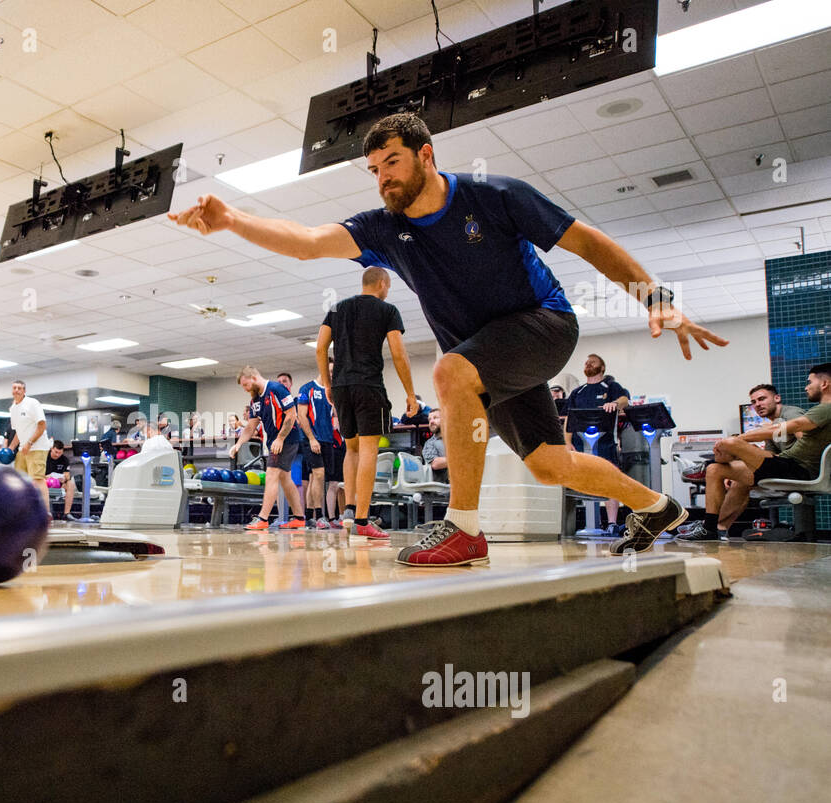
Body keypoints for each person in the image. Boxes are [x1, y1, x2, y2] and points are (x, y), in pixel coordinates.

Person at [171, 110, 726, 565]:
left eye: (392, 161)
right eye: (374, 169)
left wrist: (657, 300)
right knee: (550, 463)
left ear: (426, 155)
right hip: (490, 356)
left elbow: (586, 242)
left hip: (544, 326)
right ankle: (658, 506)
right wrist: (233, 220)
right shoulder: (383, 229)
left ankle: (465, 530)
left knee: (450, 371)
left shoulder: (496, 197)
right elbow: (308, 242)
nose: (383, 176)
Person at [314, 267, 414, 539]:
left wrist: (327, 384)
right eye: (388, 287)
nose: (387, 291)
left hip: (342, 387)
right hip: (369, 385)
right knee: (369, 449)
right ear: (382, 284)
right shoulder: (387, 310)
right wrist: (410, 393)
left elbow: (321, 347)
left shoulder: (337, 308)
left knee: (352, 448)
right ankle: (362, 519)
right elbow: (399, 354)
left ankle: (349, 509)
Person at [678, 365, 831, 541]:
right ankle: (711, 528)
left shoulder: (820, 409)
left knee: (730, 442)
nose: (806, 387)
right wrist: (739, 465)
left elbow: (797, 430)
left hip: (798, 469)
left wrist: (739, 441)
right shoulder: (811, 412)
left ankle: (703, 467)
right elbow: (772, 454)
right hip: (785, 464)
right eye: (754, 402)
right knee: (717, 470)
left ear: (825, 383)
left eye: (809, 382)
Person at [228, 365, 306, 531]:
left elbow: (291, 415)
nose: (245, 389)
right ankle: (299, 518)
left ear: (254, 378)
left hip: (287, 440)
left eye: (246, 385)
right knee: (285, 479)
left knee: (271, 475)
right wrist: (238, 444)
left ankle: (263, 519)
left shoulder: (278, 389)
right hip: (274, 442)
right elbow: (251, 426)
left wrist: (280, 438)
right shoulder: (255, 399)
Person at [566, 354, 631, 533]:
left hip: (605, 443)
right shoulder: (577, 392)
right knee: (583, 482)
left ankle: (611, 524)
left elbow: (625, 400)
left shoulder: (610, 386)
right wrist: (567, 442)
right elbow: (568, 418)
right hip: (580, 444)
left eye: (592, 361)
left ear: (602, 367)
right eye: (586, 361)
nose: (588, 363)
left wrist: (614, 403)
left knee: (610, 482)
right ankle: (586, 524)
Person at [297, 371, 339, 530]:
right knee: (319, 474)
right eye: (329, 370)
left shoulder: (332, 392)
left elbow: (335, 415)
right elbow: (301, 416)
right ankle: (320, 516)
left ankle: (309, 517)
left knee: (316, 477)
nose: (331, 373)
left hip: (328, 439)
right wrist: (312, 439)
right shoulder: (307, 388)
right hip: (312, 439)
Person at [8, 380, 53, 511]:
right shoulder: (13, 408)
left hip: (38, 446)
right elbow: (18, 431)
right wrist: (11, 447)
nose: (16, 390)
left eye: (19, 388)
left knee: (38, 479)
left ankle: (45, 514)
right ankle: (23, 512)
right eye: (14, 388)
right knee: (19, 480)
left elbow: (42, 425)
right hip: (23, 448)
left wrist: (30, 442)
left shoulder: (32, 403)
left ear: (24, 391)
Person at [747, 383, 804, 455]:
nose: (757, 404)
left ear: (777, 398)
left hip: (803, 464)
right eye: (753, 402)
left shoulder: (791, 414)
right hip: (787, 463)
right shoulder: (772, 426)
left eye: (762, 399)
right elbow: (772, 454)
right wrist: (757, 451)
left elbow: (807, 444)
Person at [46, 440, 78, 520]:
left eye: (60, 453)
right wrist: (48, 476)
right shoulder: (44, 458)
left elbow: (67, 475)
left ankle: (67, 513)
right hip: (45, 482)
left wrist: (64, 478)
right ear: (52, 449)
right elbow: (37, 475)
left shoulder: (64, 460)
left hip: (60, 483)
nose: (57, 455)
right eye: (56, 452)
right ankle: (46, 513)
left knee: (71, 483)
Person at [422, 408, 449, 483]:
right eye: (429, 419)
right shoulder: (429, 443)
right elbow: (435, 463)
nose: (431, 421)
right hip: (444, 488)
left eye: (435, 418)